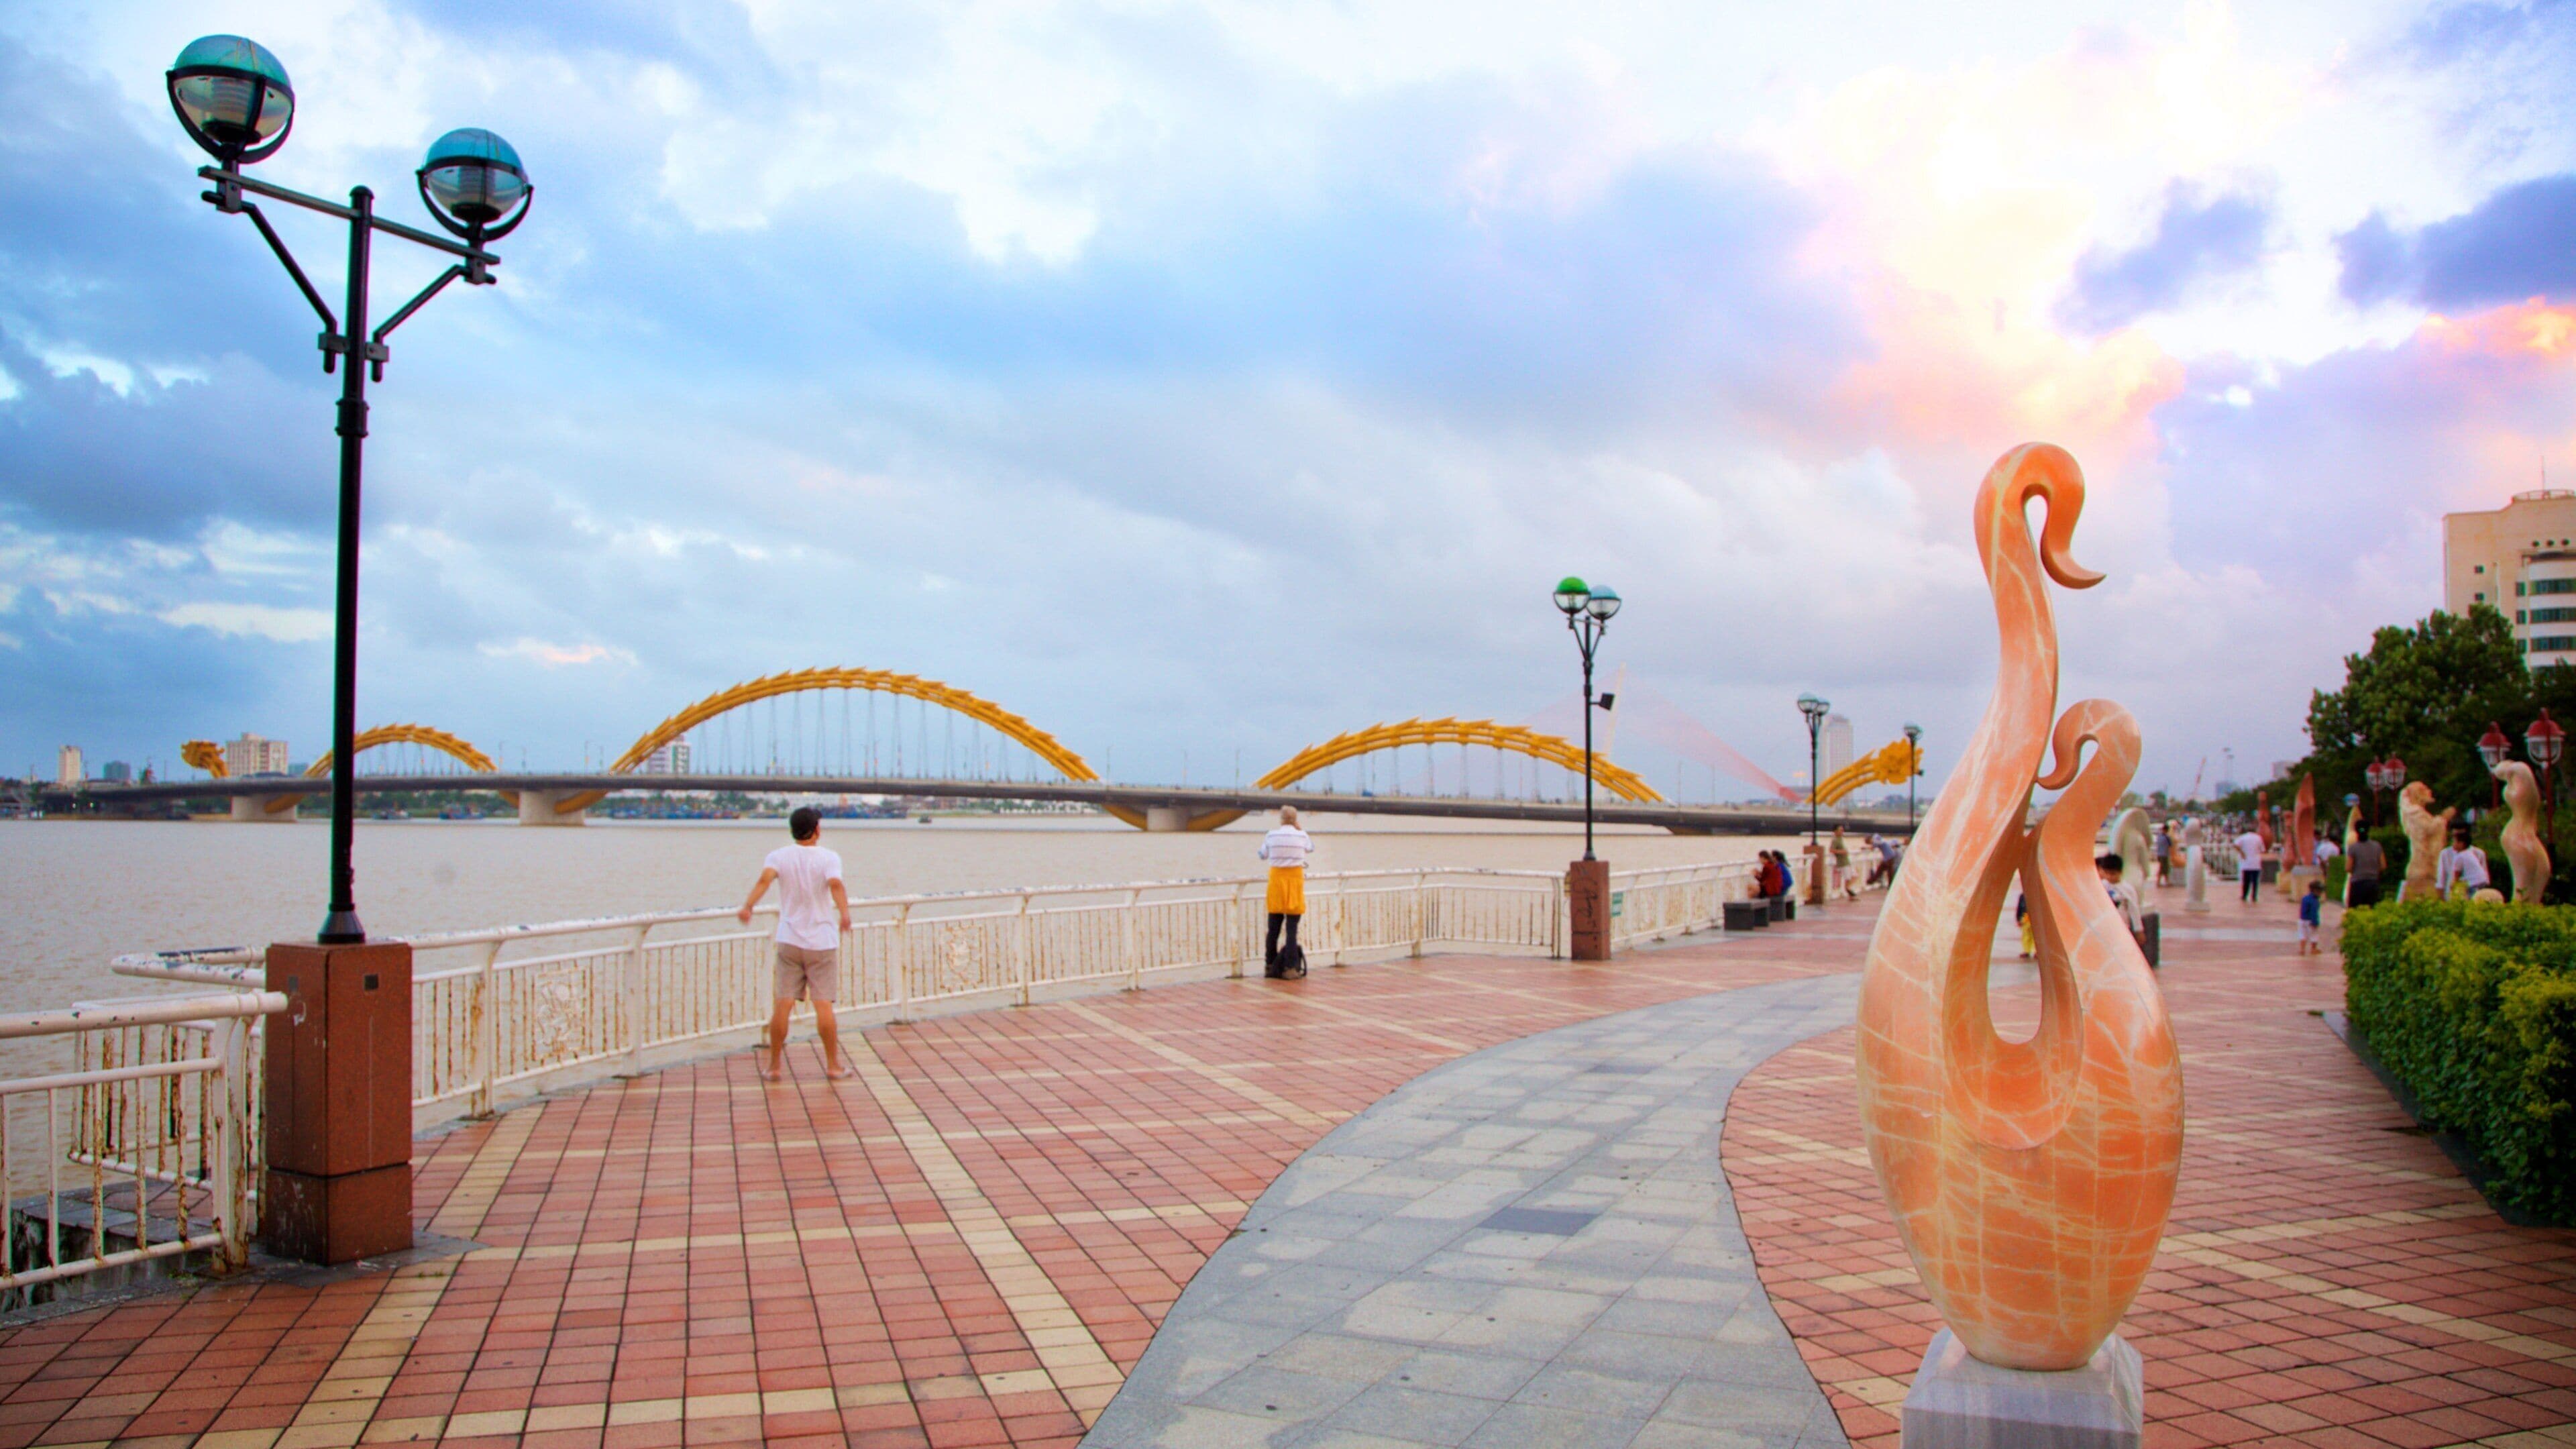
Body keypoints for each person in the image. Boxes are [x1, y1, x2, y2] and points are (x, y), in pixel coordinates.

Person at [737, 806, 853, 1081]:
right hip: (821, 941)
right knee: (823, 1004)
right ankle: (833, 1066)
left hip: (789, 939)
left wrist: (748, 906)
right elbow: (835, 885)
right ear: (816, 830)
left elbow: (764, 880)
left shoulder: (778, 856)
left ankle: (774, 1067)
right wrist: (845, 914)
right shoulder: (829, 858)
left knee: (783, 1003)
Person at [1258, 806, 1313, 977]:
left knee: (1273, 928)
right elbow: (1311, 848)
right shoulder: (1302, 835)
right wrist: (1300, 829)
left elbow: (1262, 855)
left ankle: (1270, 965)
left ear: (1281, 819)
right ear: (1295, 819)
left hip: (1276, 882)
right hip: (1295, 882)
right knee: (1291, 929)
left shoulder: (1271, 835)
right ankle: (1290, 968)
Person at [2436, 825, 2491, 900]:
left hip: (2472, 884)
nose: (2452, 844)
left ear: (2461, 844)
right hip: (2480, 882)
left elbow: (2456, 875)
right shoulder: (2469, 853)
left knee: (2469, 900)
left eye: (2454, 842)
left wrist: (2452, 887)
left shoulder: (2460, 857)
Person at [2346, 833, 2385, 908]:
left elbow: (2348, 868)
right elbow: (2383, 866)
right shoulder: (2377, 846)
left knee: (2355, 910)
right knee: (2372, 909)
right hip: (2373, 882)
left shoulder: (2353, 848)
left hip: (2357, 883)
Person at [2233, 824, 2266, 904]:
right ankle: (2254, 896)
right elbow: (2263, 849)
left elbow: (2235, 845)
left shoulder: (2243, 837)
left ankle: (2244, 895)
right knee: (2255, 881)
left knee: (2246, 880)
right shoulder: (2258, 838)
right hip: (2256, 862)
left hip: (2246, 862)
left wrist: (2242, 852)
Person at [2298, 877, 2326, 955]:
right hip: (2310, 920)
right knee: (2314, 935)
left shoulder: (2305, 898)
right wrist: (2315, 922)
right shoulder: (2315, 901)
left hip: (2302, 920)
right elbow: (2314, 913)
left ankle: (2302, 949)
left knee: (2302, 935)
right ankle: (2314, 949)